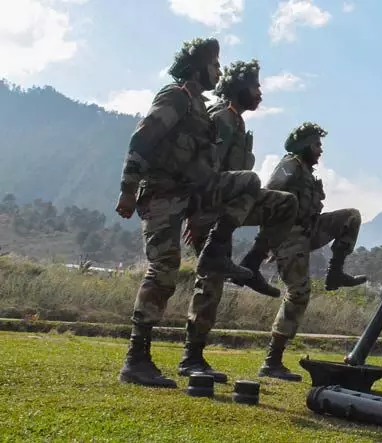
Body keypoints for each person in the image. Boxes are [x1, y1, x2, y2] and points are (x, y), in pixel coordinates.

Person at [114, 37, 290, 389]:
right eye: (214, 65)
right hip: (163, 194)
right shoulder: (177, 97)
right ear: (198, 68)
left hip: (192, 194)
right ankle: (136, 359)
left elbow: (206, 165)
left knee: (253, 186)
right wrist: (128, 189)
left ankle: (224, 259)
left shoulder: (199, 108)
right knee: (164, 269)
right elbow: (143, 139)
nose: (219, 72)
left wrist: (205, 214)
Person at [177, 58, 298, 383]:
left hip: (229, 211)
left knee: (286, 203)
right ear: (238, 87)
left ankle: (252, 264)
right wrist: (195, 213)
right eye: (255, 86)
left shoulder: (239, 124)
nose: (260, 93)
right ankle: (192, 358)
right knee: (211, 284)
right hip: (210, 211)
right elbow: (201, 171)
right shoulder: (220, 119)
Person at [253, 122, 368, 381]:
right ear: (304, 145)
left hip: (309, 230)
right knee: (299, 293)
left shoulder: (306, 171)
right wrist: (266, 244)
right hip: (288, 236)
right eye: (316, 144)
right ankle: (272, 361)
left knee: (351, 217)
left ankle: (335, 273)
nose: (320, 150)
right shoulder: (289, 165)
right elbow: (268, 200)